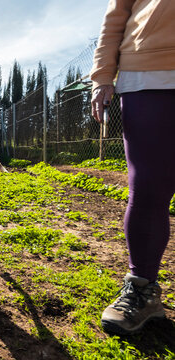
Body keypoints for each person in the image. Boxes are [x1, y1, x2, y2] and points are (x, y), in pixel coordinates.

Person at [90, 0, 175, 335]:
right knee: (149, 187)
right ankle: (142, 288)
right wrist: (102, 75)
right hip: (149, 71)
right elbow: (115, 16)